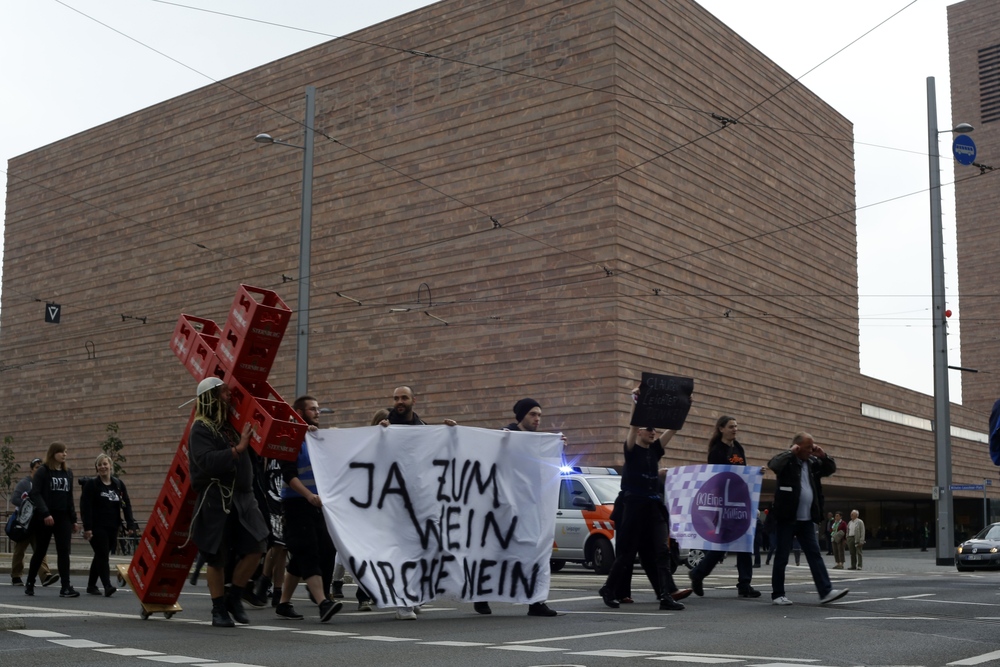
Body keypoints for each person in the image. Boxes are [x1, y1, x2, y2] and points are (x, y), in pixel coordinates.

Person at [187, 376, 270, 627]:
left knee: (258, 545)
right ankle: (218, 609)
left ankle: (234, 596)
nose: (229, 396)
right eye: (224, 393)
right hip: (217, 498)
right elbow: (206, 460)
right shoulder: (201, 428)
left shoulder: (232, 425)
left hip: (244, 498)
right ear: (211, 397)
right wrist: (238, 449)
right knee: (216, 557)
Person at [472, 398, 560, 617]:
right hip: (504, 507)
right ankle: (481, 594)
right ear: (521, 416)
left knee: (535, 550)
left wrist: (556, 447)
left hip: (530, 507)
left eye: (539, 415)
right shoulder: (506, 436)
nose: (537, 419)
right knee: (498, 551)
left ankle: (536, 601)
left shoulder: (538, 442)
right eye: (532, 414)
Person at [379, 386, 456, 620]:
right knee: (403, 551)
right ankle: (403, 601)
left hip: (422, 498)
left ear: (414, 400)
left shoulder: (424, 429)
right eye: (396, 398)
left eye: (404, 397)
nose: (399, 401)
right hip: (395, 500)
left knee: (429, 547)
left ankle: (414, 592)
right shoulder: (384, 427)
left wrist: (450, 434)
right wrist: (379, 435)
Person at [599, 417, 687, 612]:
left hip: (653, 506)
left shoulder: (654, 451)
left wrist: (681, 410)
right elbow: (632, 426)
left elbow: (672, 428)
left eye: (654, 429)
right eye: (648, 429)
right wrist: (636, 408)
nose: (652, 432)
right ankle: (608, 588)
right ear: (639, 432)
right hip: (634, 507)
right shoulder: (631, 451)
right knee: (627, 553)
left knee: (662, 550)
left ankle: (665, 596)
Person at [274, 396, 344, 623]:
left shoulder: (315, 438)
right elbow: (289, 475)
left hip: (316, 504)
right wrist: (308, 495)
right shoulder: (289, 439)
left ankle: (283, 604)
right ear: (299, 412)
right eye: (312, 409)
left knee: (322, 549)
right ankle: (323, 602)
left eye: (318, 409)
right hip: (296, 504)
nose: (317, 412)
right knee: (307, 550)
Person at [767, 432, 848, 606]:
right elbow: (773, 464)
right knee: (782, 556)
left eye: (813, 447)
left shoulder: (812, 463)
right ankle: (778, 594)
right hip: (787, 518)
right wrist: (790, 452)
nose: (811, 451)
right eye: (808, 447)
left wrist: (823, 455)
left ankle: (825, 591)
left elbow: (830, 469)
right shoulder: (788, 461)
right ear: (797, 447)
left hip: (806, 519)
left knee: (814, 554)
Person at [688, 415, 761, 598]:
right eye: (731, 426)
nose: (735, 429)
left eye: (736, 426)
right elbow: (716, 479)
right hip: (724, 503)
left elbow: (743, 473)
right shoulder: (717, 451)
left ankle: (744, 584)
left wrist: (755, 474)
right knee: (721, 545)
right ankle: (698, 573)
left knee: (745, 543)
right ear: (721, 429)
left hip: (739, 501)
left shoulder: (738, 448)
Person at [25, 443, 80, 597]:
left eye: (66, 452)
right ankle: (30, 582)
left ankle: (66, 586)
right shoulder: (43, 471)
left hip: (63, 517)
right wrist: (45, 513)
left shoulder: (67, 472)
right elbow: (35, 493)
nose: (64, 454)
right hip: (45, 517)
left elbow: (69, 497)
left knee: (64, 551)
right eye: (61, 452)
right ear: (53, 453)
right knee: (40, 550)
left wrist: (73, 519)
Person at [80, 453, 138, 597]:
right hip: (96, 527)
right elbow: (85, 507)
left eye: (105, 464)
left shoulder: (118, 484)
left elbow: (126, 504)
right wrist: (87, 527)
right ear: (96, 468)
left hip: (113, 526)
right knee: (102, 554)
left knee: (101, 554)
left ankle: (91, 585)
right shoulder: (92, 485)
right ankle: (107, 585)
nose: (102, 467)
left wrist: (130, 524)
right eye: (99, 465)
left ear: (110, 466)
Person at [10, 457, 56, 587]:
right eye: (36, 467)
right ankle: (16, 575)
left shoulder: (45, 484)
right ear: (31, 470)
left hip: (38, 523)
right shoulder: (24, 483)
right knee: (20, 550)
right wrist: (28, 505)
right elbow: (14, 499)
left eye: (41, 468)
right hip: (24, 523)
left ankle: (45, 575)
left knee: (40, 549)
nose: (39, 470)